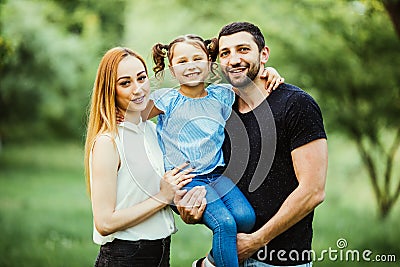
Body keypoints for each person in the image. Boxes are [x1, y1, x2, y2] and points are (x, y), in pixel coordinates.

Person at [175, 22, 328, 267]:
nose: (234, 59)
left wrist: (257, 241)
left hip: (281, 261)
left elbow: (313, 191)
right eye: (225, 53)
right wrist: (192, 210)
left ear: (264, 54)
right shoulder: (220, 110)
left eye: (243, 49)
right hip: (229, 256)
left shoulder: (296, 105)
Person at [143, 34, 282, 267]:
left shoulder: (222, 94)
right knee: (225, 225)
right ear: (172, 69)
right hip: (186, 180)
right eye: (182, 61)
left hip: (216, 175)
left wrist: (270, 72)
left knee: (246, 218)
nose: (190, 66)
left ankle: (208, 264)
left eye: (197, 58)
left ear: (209, 62)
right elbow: (130, 117)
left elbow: (254, 84)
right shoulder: (166, 100)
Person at [84, 47, 195, 267]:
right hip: (126, 256)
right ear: (110, 90)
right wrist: (163, 197)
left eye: (142, 78)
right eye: (125, 83)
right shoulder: (108, 142)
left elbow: (198, 94)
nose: (139, 89)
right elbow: (104, 222)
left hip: (161, 251)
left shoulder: (151, 131)